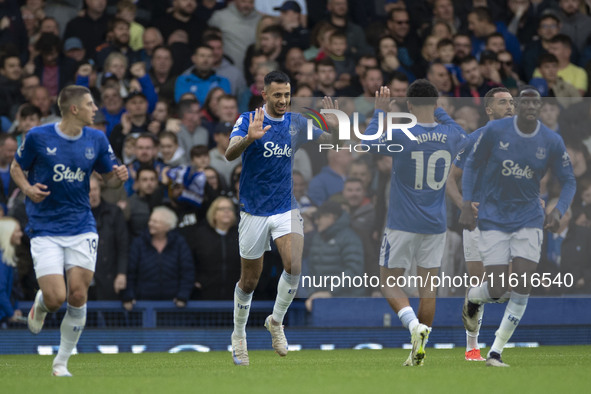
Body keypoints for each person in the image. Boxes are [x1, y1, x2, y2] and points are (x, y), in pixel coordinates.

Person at [10, 85, 128, 377]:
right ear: (74, 109)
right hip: (45, 227)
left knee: (77, 295)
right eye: (90, 104)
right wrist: (27, 188)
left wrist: (118, 178)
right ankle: (41, 303)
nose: (95, 109)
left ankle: (61, 362)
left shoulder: (97, 138)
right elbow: (16, 167)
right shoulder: (38, 136)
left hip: (81, 225)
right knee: (55, 298)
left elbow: (109, 180)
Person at [459, 87, 576, 367]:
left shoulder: (550, 140)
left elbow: (569, 180)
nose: (526, 107)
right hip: (494, 218)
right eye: (521, 103)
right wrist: (465, 203)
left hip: (529, 219)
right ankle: (474, 299)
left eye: (534, 103)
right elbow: (470, 167)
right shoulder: (492, 134)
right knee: (496, 289)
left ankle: (496, 352)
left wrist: (558, 210)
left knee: (523, 284)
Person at [224, 70, 334, 365]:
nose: (284, 100)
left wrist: (334, 126)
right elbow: (229, 154)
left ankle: (276, 321)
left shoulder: (296, 122)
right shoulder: (249, 120)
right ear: (265, 95)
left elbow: (331, 140)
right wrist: (249, 139)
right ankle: (238, 336)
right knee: (249, 281)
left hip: (285, 206)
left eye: (287, 95)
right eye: (278, 95)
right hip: (253, 210)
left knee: (294, 263)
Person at [364, 80, 467, 366]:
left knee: (388, 283)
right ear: (436, 104)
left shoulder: (402, 133)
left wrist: (380, 112)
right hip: (435, 224)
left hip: (401, 223)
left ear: (408, 106)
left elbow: (367, 144)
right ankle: (417, 353)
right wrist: (438, 109)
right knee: (428, 290)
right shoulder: (453, 134)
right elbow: (455, 126)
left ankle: (413, 327)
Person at [445, 87, 515, 361]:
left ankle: (474, 300)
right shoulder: (474, 140)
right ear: (488, 110)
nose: (510, 106)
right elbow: (451, 179)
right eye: (502, 102)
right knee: (479, 280)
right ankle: (472, 348)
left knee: (505, 288)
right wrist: (463, 203)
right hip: (477, 221)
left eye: (511, 102)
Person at [122, 206, 194, 308]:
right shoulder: (139, 243)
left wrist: (183, 295)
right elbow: (130, 272)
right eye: (151, 220)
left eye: (156, 222)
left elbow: (187, 272)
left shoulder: (179, 243)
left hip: (173, 306)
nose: (150, 224)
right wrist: (128, 295)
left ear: (167, 226)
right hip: (144, 305)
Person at [193, 196, 241, 300]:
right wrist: (197, 280)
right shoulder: (201, 235)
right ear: (213, 214)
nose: (227, 212)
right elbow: (191, 260)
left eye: (230, 209)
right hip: (206, 295)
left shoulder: (241, 235)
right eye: (222, 209)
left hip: (235, 296)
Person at [0, 217, 23, 325]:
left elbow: (13, 288)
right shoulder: (2, 259)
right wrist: (11, 313)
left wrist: (14, 309)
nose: (21, 234)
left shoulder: (7, 258)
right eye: (17, 231)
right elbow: (0, 290)